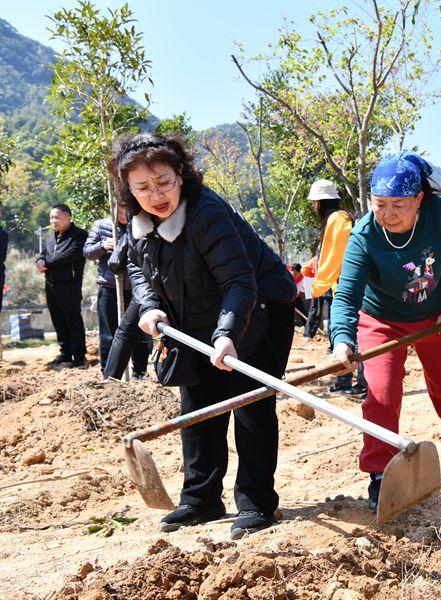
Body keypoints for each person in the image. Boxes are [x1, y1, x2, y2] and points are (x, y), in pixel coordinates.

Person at [108, 132, 296, 539]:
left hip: (258, 307)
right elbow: (136, 269)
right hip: (191, 317)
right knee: (198, 400)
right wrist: (150, 304)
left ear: (181, 174)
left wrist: (228, 335)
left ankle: (257, 502)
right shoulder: (138, 223)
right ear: (129, 189)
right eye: (142, 187)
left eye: (163, 182)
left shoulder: (207, 213)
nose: (155, 194)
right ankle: (201, 499)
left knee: (250, 402)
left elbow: (240, 282)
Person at [329, 151, 441, 511]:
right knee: (381, 394)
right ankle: (380, 473)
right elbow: (346, 293)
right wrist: (342, 339)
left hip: (437, 317)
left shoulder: (440, 216)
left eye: (399, 205)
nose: (388, 213)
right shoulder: (363, 234)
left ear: (419, 199)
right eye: (380, 205)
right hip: (381, 319)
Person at [307, 179, 367, 396]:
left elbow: (335, 256)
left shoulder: (337, 219)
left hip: (347, 288)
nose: (313, 207)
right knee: (340, 338)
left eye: (314, 203)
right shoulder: (339, 218)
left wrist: (318, 284)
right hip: (340, 286)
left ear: (319, 202)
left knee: (351, 337)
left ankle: (362, 383)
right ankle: (344, 381)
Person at [36, 204, 88, 368]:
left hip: (69, 285)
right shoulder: (51, 236)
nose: (53, 221)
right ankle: (65, 354)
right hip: (51, 284)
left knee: (73, 320)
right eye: (51, 218)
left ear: (68, 217)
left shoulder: (79, 235)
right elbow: (43, 253)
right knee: (58, 320)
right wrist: (39, 261)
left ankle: (79, 357)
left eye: (57, 217)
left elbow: (68, 255)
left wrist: (47, 264)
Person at [103, 206, 152, 380]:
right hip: (148, 283)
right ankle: (110, 382)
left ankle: (111, 380)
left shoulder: (139, 212)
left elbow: (118, 262)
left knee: (125, 332)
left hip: (149, 283)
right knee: (126, 332)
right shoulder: (139, 216)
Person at [84, 204, 130, 371]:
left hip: (135, 287)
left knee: (139, 333)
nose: (123, 213)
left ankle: (140, 370)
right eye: (120, 209)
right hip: (109, 285)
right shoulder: (101, 225)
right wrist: (102, 246)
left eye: (127, 208)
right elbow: (87, 251)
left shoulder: (141, 224)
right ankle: (108, 370)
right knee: (108, 334)